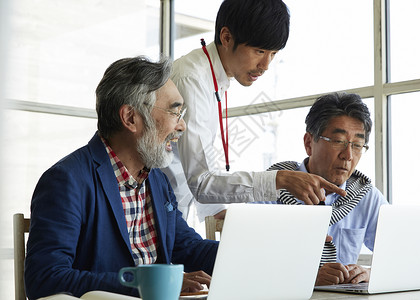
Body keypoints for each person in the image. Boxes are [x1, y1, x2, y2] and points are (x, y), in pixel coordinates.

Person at [24, 56, 218, 300]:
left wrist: (246, 253)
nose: (182, 126)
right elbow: (45, 278)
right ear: (130, 118)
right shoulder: (65, 181)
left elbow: (185, 247)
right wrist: (147, 284)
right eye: (174, 111)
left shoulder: (157, 181)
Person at [161, 0, 346, 222]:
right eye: (259, 51)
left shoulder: (214, 78)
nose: (266, 65)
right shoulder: (192, 79)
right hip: (155, 215)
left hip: (172, 213)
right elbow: (201, 181)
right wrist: (280, 179)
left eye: (273, 53)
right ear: (226, 37)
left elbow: (196, 164)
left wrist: (224, 214)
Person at [267, 92, 389, 286]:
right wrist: (306, 279)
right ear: (309, 143)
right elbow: (248, 265)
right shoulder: (272, 188)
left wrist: (369, 273)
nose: (348, 156)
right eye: (338, 141)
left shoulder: (364, 195)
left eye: (357, 145)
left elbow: (402, 254)